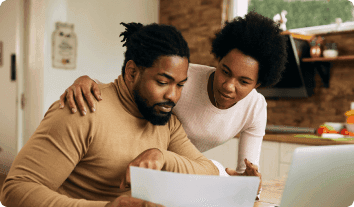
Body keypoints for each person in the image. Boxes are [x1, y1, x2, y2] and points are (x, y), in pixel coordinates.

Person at [60, 11, 288, 200]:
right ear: (218, 60)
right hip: (135, 163)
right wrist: (87, 82)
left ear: (259, 83)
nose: (228, 86)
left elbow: (244, 177)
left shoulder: (255, 108)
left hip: (179, 173)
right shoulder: (184, 78)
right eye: (225, 71)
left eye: (243, 81)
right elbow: (128, 88)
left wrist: (251, 183)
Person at [0, 22, 222, 207]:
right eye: (163, 82)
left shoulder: (166, 123)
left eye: (180, 85)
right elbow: (15, 190)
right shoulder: (82, 109)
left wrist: (162, 156)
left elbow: (209, 173)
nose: (173, 96)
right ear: (132, 72)